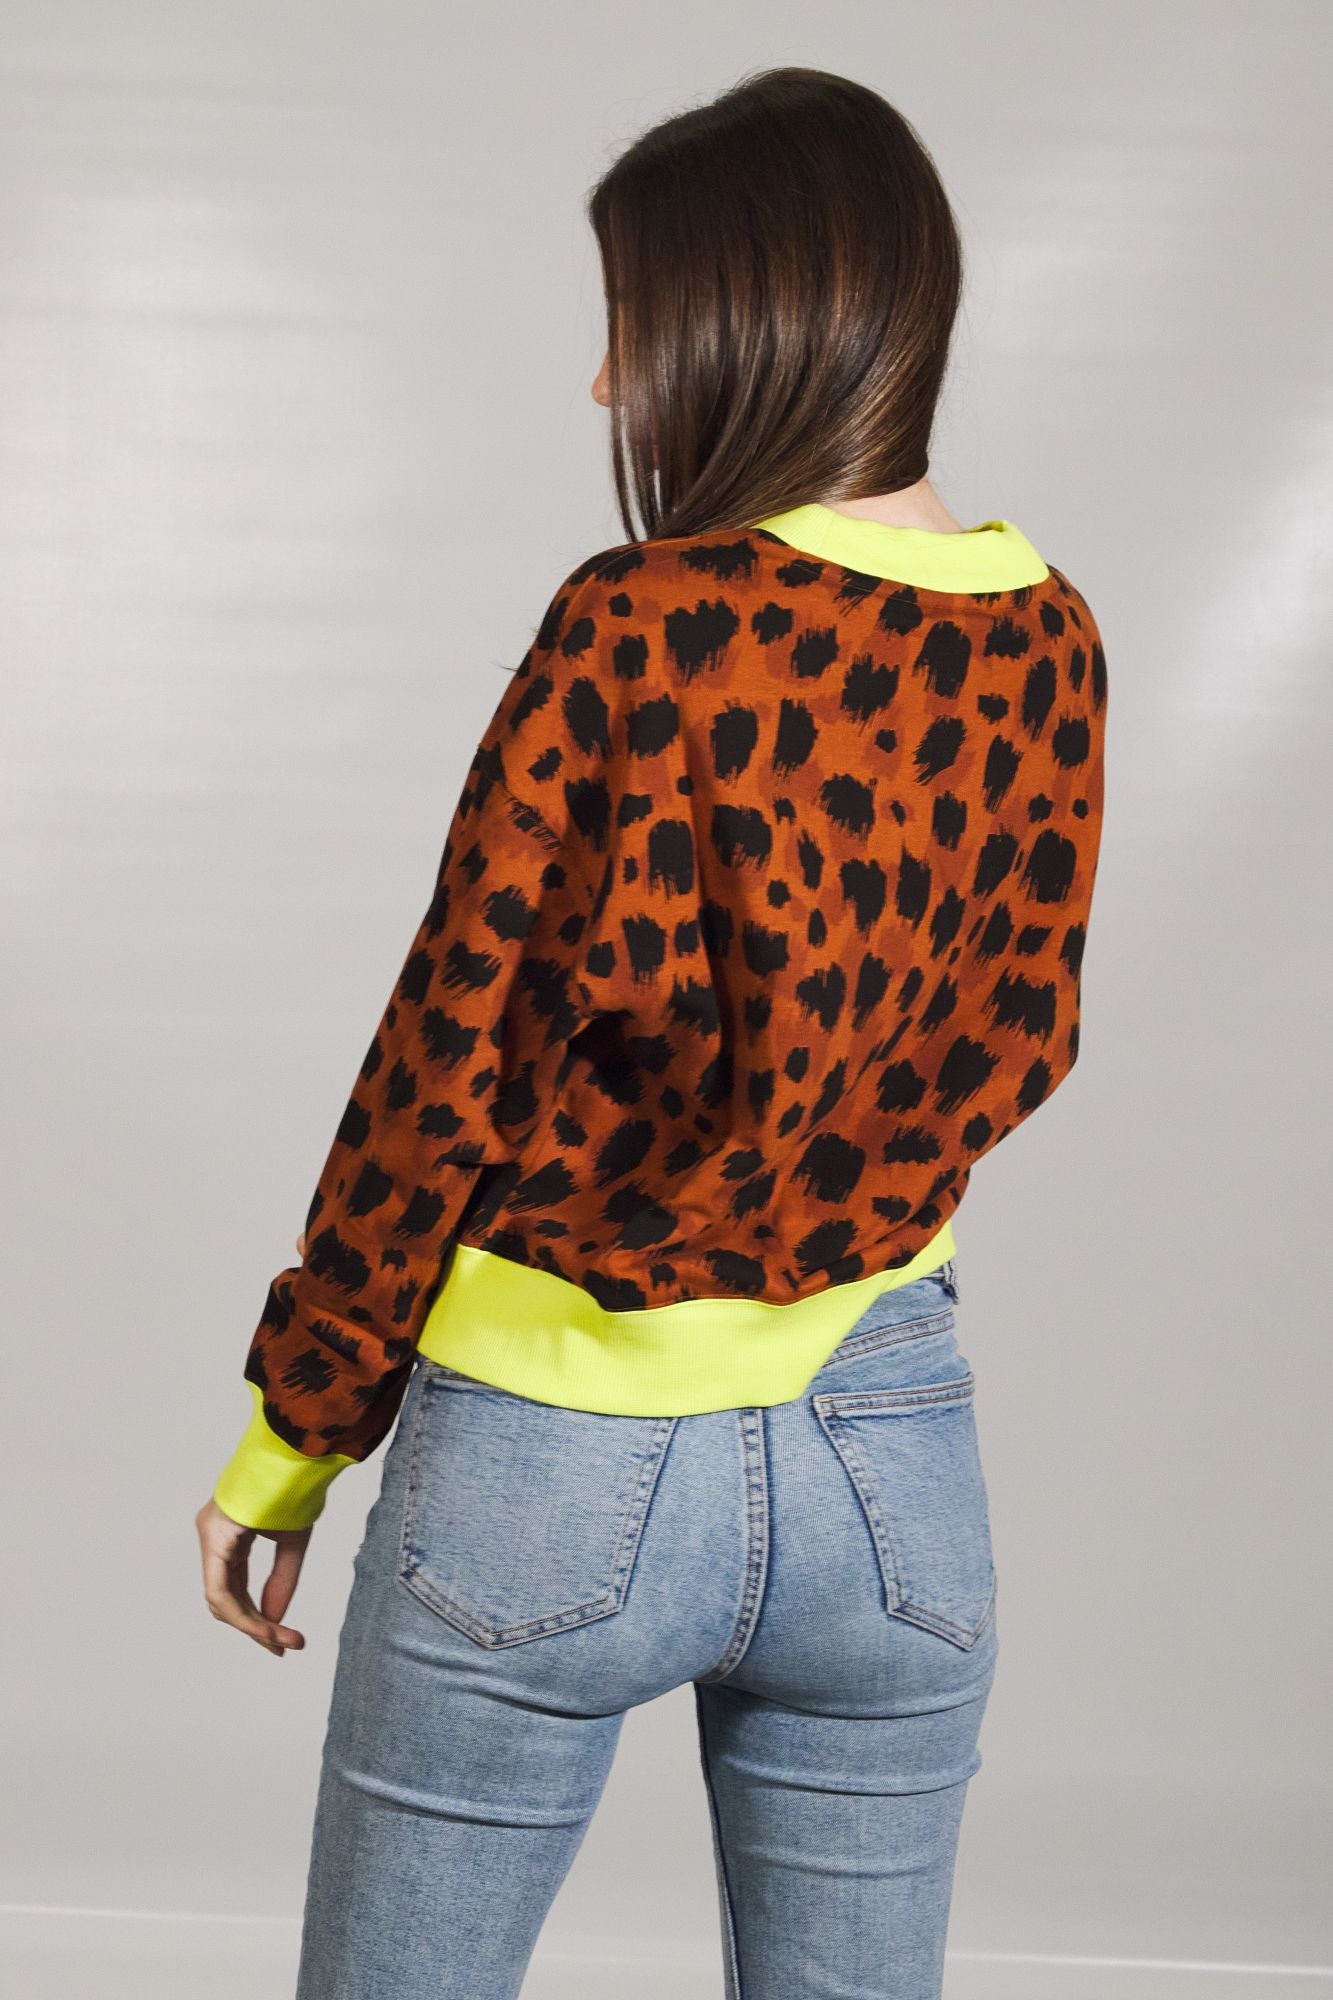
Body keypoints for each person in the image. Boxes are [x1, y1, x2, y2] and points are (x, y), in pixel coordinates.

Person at [196, 63, 1107, 2000]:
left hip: (555, 1459)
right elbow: (1023, 1040)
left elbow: (447, 1063)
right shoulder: (1049, 636)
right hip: (895, 1453)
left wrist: (292, 1437)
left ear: (748, 315)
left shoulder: (642, 622)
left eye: (631, 324)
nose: (609, 384)